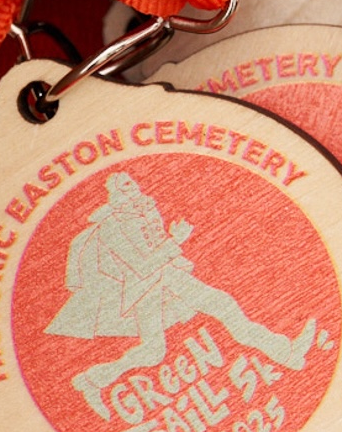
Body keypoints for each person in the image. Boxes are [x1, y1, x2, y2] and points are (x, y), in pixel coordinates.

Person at [46, 172, 317, 419]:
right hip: (146, 291)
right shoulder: (112, 228)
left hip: (170, 278)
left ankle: (287, 352)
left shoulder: (144, 211)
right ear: (115, 195)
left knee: (221, 308)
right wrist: (175, 240)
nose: (134, 188)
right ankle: (92, 380)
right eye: (125, 186)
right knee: (155, 350)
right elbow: (141, 268)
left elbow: (155, 249)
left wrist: (173, 247)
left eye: (133, 182)